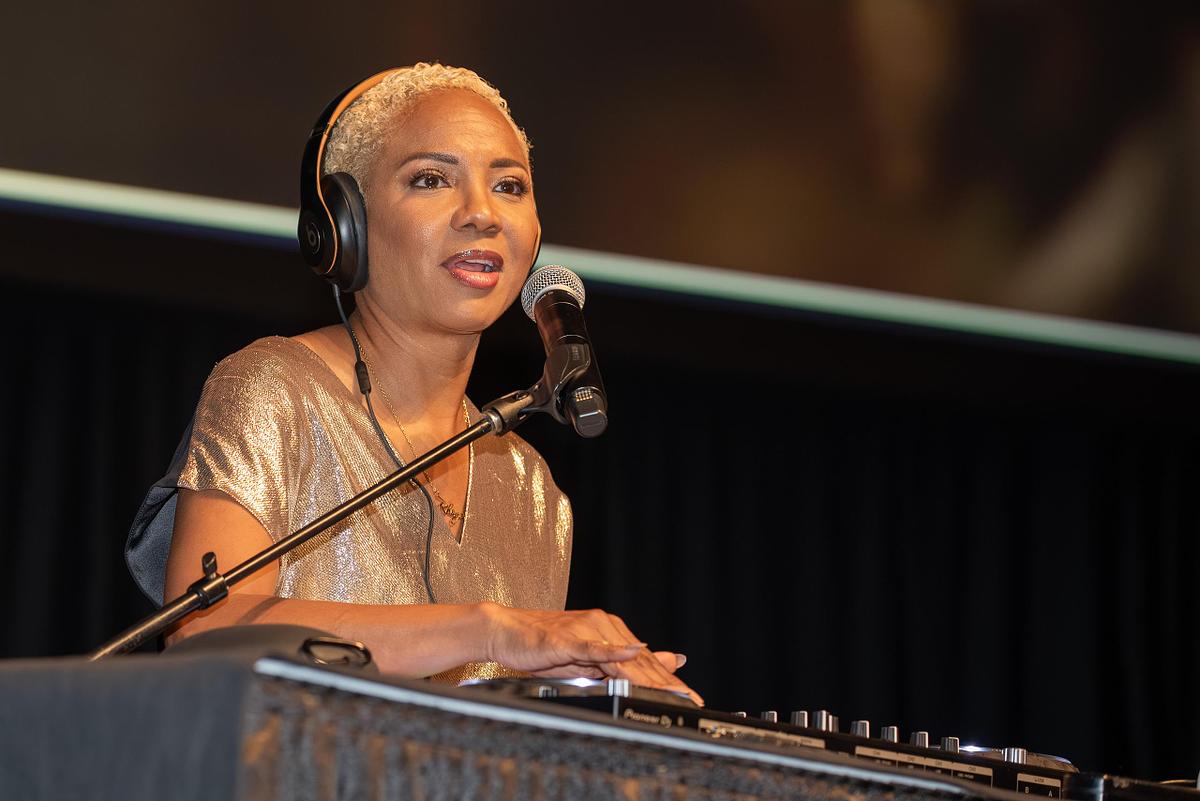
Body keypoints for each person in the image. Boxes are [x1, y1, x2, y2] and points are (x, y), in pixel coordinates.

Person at [124, 63, 701, 704]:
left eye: (510, 186)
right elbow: (205, 629)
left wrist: (574, 687)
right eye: (431, 180)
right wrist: (490, 631)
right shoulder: (273, 387)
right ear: (345, 225)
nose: (482, 213)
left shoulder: (532, 488)